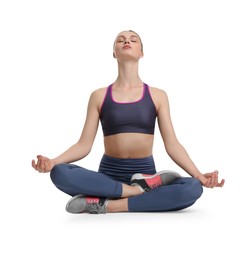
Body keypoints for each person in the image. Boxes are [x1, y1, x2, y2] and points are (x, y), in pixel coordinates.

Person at [32, 30, 225, 214]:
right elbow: (84, 145)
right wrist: (53, 162)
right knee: (59, 173)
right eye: (120, 39)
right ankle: (134, 193)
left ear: (142, 52)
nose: (126, 41)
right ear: (113, 53)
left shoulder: (158, 96)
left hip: (148, 176)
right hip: (108, 177)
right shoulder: (99, 96)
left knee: (192, 188)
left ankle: (108, 205)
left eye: (133, 40)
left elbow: (172, 144)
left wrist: (199, 175)